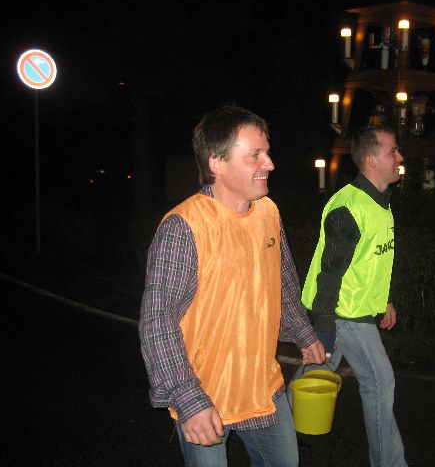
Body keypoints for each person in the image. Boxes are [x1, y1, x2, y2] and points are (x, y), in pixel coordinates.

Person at [139, 104, 325, 466]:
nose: (269, 163)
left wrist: (304, 333)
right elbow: (158, 320)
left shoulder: (268, 212)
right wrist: (187, 398)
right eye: (255, 155)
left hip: (262, 387)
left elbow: (282, 282)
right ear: (217, 163)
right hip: (205, 395)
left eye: (267, 152)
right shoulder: (184, 227)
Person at [298, 125, 407, 467]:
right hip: (343, 312)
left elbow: (371, 261)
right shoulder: (349, 206)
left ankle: (276, 435)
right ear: (372, 160)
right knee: (379, 382)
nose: (400, 157)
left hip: (354, 308)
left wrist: (384, 299)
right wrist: (324, 328)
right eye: (393, 151)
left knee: (314, 372)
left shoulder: (379, 203)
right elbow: (330, 272)